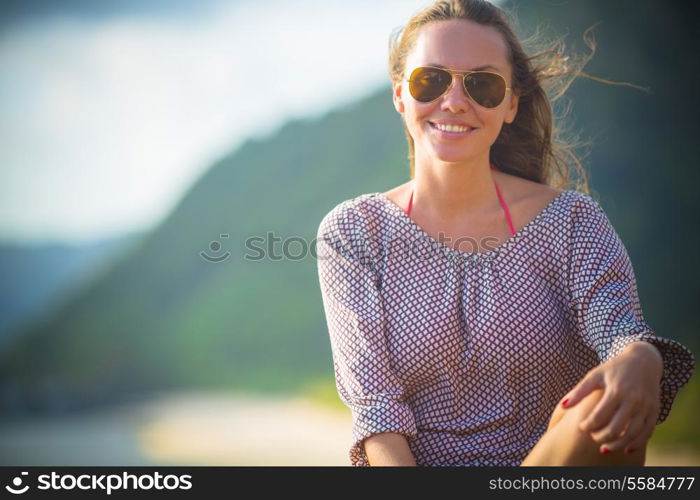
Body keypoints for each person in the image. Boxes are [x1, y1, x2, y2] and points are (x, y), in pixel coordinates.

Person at [315, 0, 695, 466]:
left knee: (605, 397)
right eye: (430, 80)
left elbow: (619, 329)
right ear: (400, 94)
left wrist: (642, 357)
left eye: (483, 85)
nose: (454, 101)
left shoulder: (572, 221)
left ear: (511, 104)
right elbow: (377, 413)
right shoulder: (354, 231)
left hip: (554, 465)